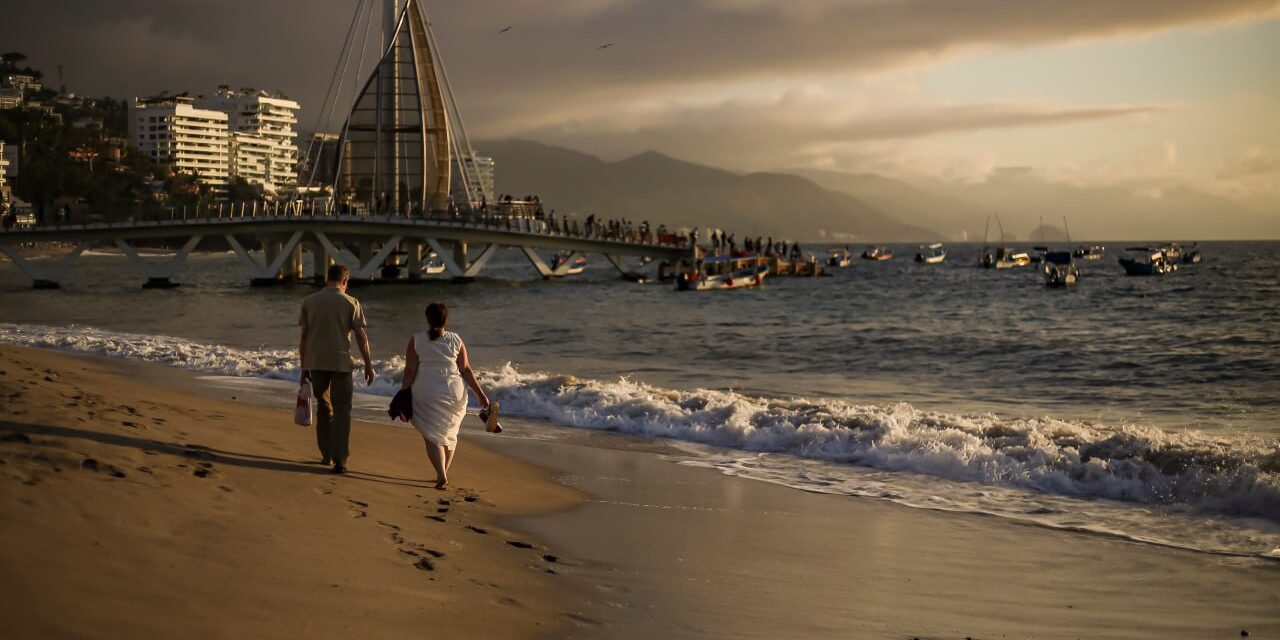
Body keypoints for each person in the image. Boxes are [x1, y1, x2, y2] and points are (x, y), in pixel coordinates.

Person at [400, 302, 491, 489]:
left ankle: (441, 474)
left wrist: (403, 393)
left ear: (427, 319)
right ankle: (442, 473)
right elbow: (465, 370)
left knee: (432, 436)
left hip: (426, 391)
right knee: (450, 434)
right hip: (454, 392)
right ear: (446, 320)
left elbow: (410, 371)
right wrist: (481, 395)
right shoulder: (456, 339)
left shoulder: (416, 339)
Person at [298, 264, 374, 474]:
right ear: (345, 282)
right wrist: (368, 364)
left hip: (316, 362)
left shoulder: (309, 302)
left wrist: (304, 368)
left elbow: (303, 338)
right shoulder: (351, 302)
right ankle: (340, 458)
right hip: (341, 363)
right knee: (342, 410)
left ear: (326, 278)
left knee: (324, 407)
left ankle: (326, 455)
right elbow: (361, 337)